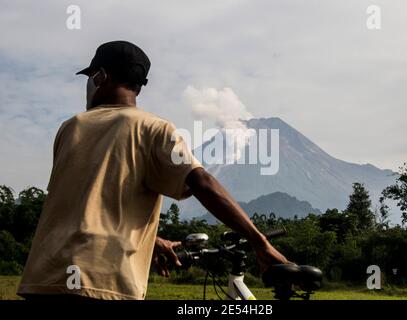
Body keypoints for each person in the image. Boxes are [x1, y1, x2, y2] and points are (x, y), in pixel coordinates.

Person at [17, 40, 289, 300]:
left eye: (90, 77)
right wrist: (259, 242)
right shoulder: (154, 128)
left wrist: (151, 240)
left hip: (44, 279)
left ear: (100, 76)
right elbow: (201, 183)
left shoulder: (70, 127)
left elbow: (78, 207)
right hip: (103, 281)